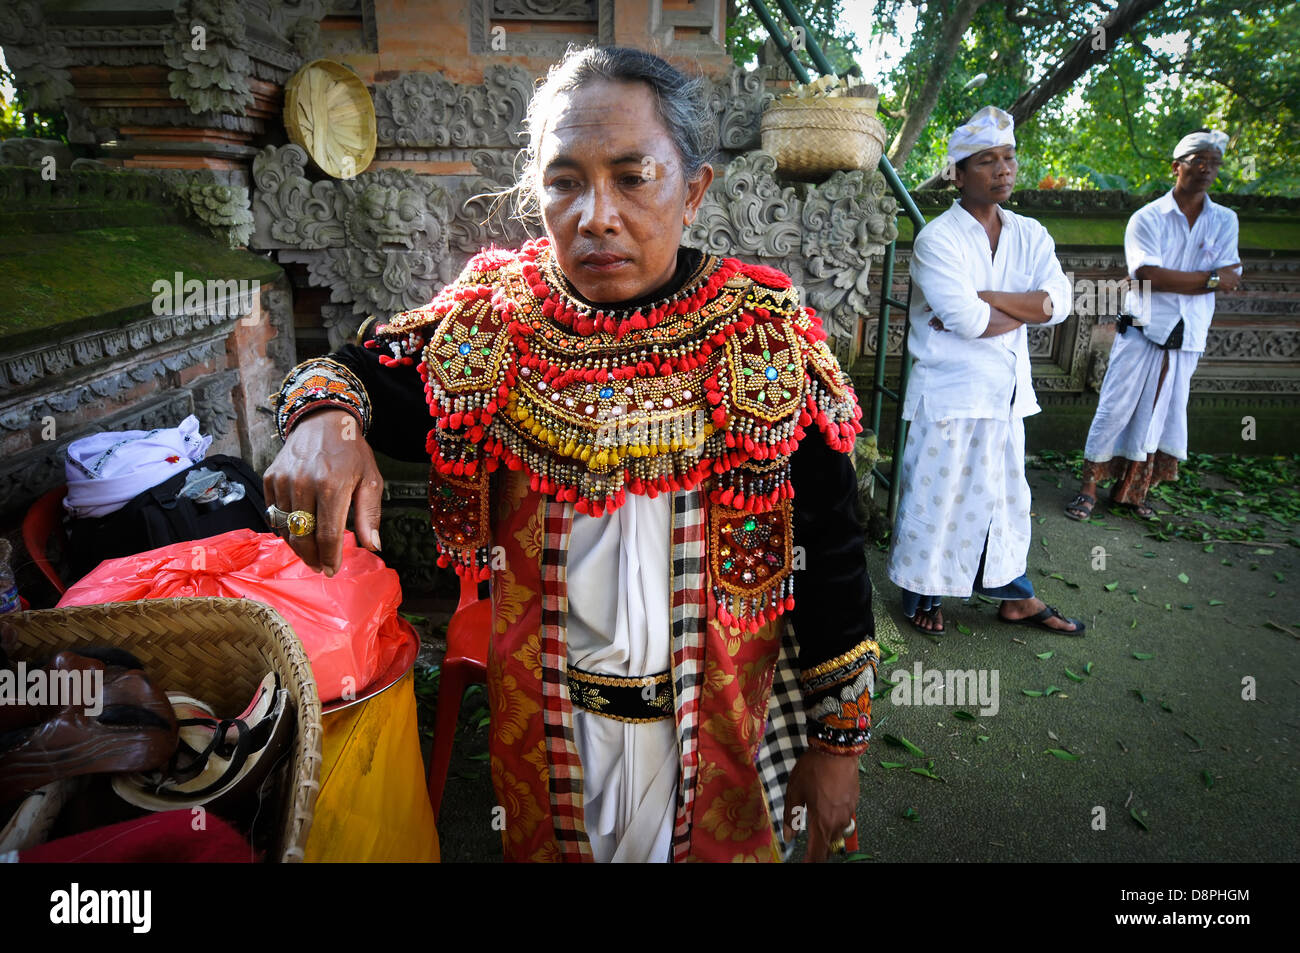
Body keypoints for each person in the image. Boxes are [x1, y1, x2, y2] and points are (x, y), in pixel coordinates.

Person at [263, 46, 877, 863]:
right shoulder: (494, 323)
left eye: (633, 177)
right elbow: (354, 371)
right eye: (564, 181)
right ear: (536, 193)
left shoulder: (762, 339)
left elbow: (831, 553)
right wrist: (324, 422)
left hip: (717, 728)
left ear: (693, 191)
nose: (596, 216)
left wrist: (837, 749)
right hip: (549, 734)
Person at [886, 106, 1084, 636]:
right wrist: (1017, 309)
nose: (1003, 170)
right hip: (950, 393)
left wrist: (991, 299)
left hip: (1007, 391)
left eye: (1009, 157)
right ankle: (922, 594)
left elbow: (1058, 305)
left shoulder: (1031, 234)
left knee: (1004, 497)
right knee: (939, 494)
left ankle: (1014, 595)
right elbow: (968, 321)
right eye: (987, 160)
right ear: (958, 173)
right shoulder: (938, 240)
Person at [1065, 130, 1241, 521]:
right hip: (1142, 328)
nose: (1208, 169)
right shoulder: (1148, 217)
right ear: (1177, 166)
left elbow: (1232, 275)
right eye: (1200, 161)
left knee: (1163, 413)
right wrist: (1209, 279)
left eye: (1215, 163)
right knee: (1116, 407)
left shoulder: (1225, 220)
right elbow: (1146, 274)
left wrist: (1194, 278)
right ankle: (1088, 489)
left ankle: (1132, 491)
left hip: (1189, 334)